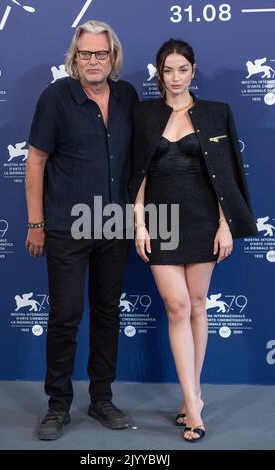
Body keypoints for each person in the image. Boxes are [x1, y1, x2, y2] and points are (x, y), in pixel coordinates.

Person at [129, 39, 257, 442]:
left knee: (198, 305)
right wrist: (139, 223)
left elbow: (228, 175)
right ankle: (194, 404)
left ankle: (191, 398)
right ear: (159, 74)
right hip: (161, 223)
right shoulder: (144, 115)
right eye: (168, 70)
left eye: (182, 69)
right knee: (177, 305)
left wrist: (224, 225)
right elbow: (138, 175)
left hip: (204, 221)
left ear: (193, 71)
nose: (176, 77)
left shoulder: (217, 114)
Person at [25, 20, 138, 440]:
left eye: (101, 54)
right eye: (86, 53)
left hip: (114, 225)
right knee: (66, 315)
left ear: (113, 57)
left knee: (108, 313)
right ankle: (57, 405)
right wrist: (36, 223)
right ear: (75, 58)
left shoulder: (127, 95)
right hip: (66, 227)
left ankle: (102, 398)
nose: (93, 61)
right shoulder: (56, 97)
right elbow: (34, 161)